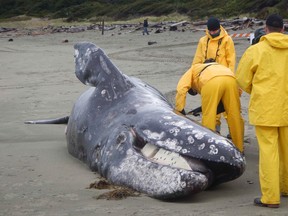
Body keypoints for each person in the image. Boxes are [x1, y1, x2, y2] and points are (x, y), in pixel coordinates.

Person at [236, 14, 288, 208]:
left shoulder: (256, 50)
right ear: (282, 29)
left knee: (268, 154)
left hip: (265, 109)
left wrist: (255, 90)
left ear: (265, 29)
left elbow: (241, 79)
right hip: (286, 108)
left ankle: (271, 197)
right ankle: (286, 187)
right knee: (286, 151)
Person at [175, 59, 244, 153]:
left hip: (210, 81)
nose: (197, 92)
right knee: (234, 115)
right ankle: (239, 148)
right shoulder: (219, 66)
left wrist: (180, 109)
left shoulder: (194, 68)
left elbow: (181, 88)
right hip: (230, 79)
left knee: (209, 116)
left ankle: (208, 148)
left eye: (195, 91)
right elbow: (237, 92)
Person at [192, 17, 236, 136]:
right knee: (211, 109)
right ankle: (215, 131)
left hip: (224, 76)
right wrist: (194, 77)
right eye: (210, 31)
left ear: (219, 28)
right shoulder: (203, 41)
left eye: (214, 30)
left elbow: (231, 60)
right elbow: (197, 59)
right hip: (208, 79)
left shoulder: (227, 40)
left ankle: (233, 131)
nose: (212, 33)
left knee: (228, 108)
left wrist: (231, 76)